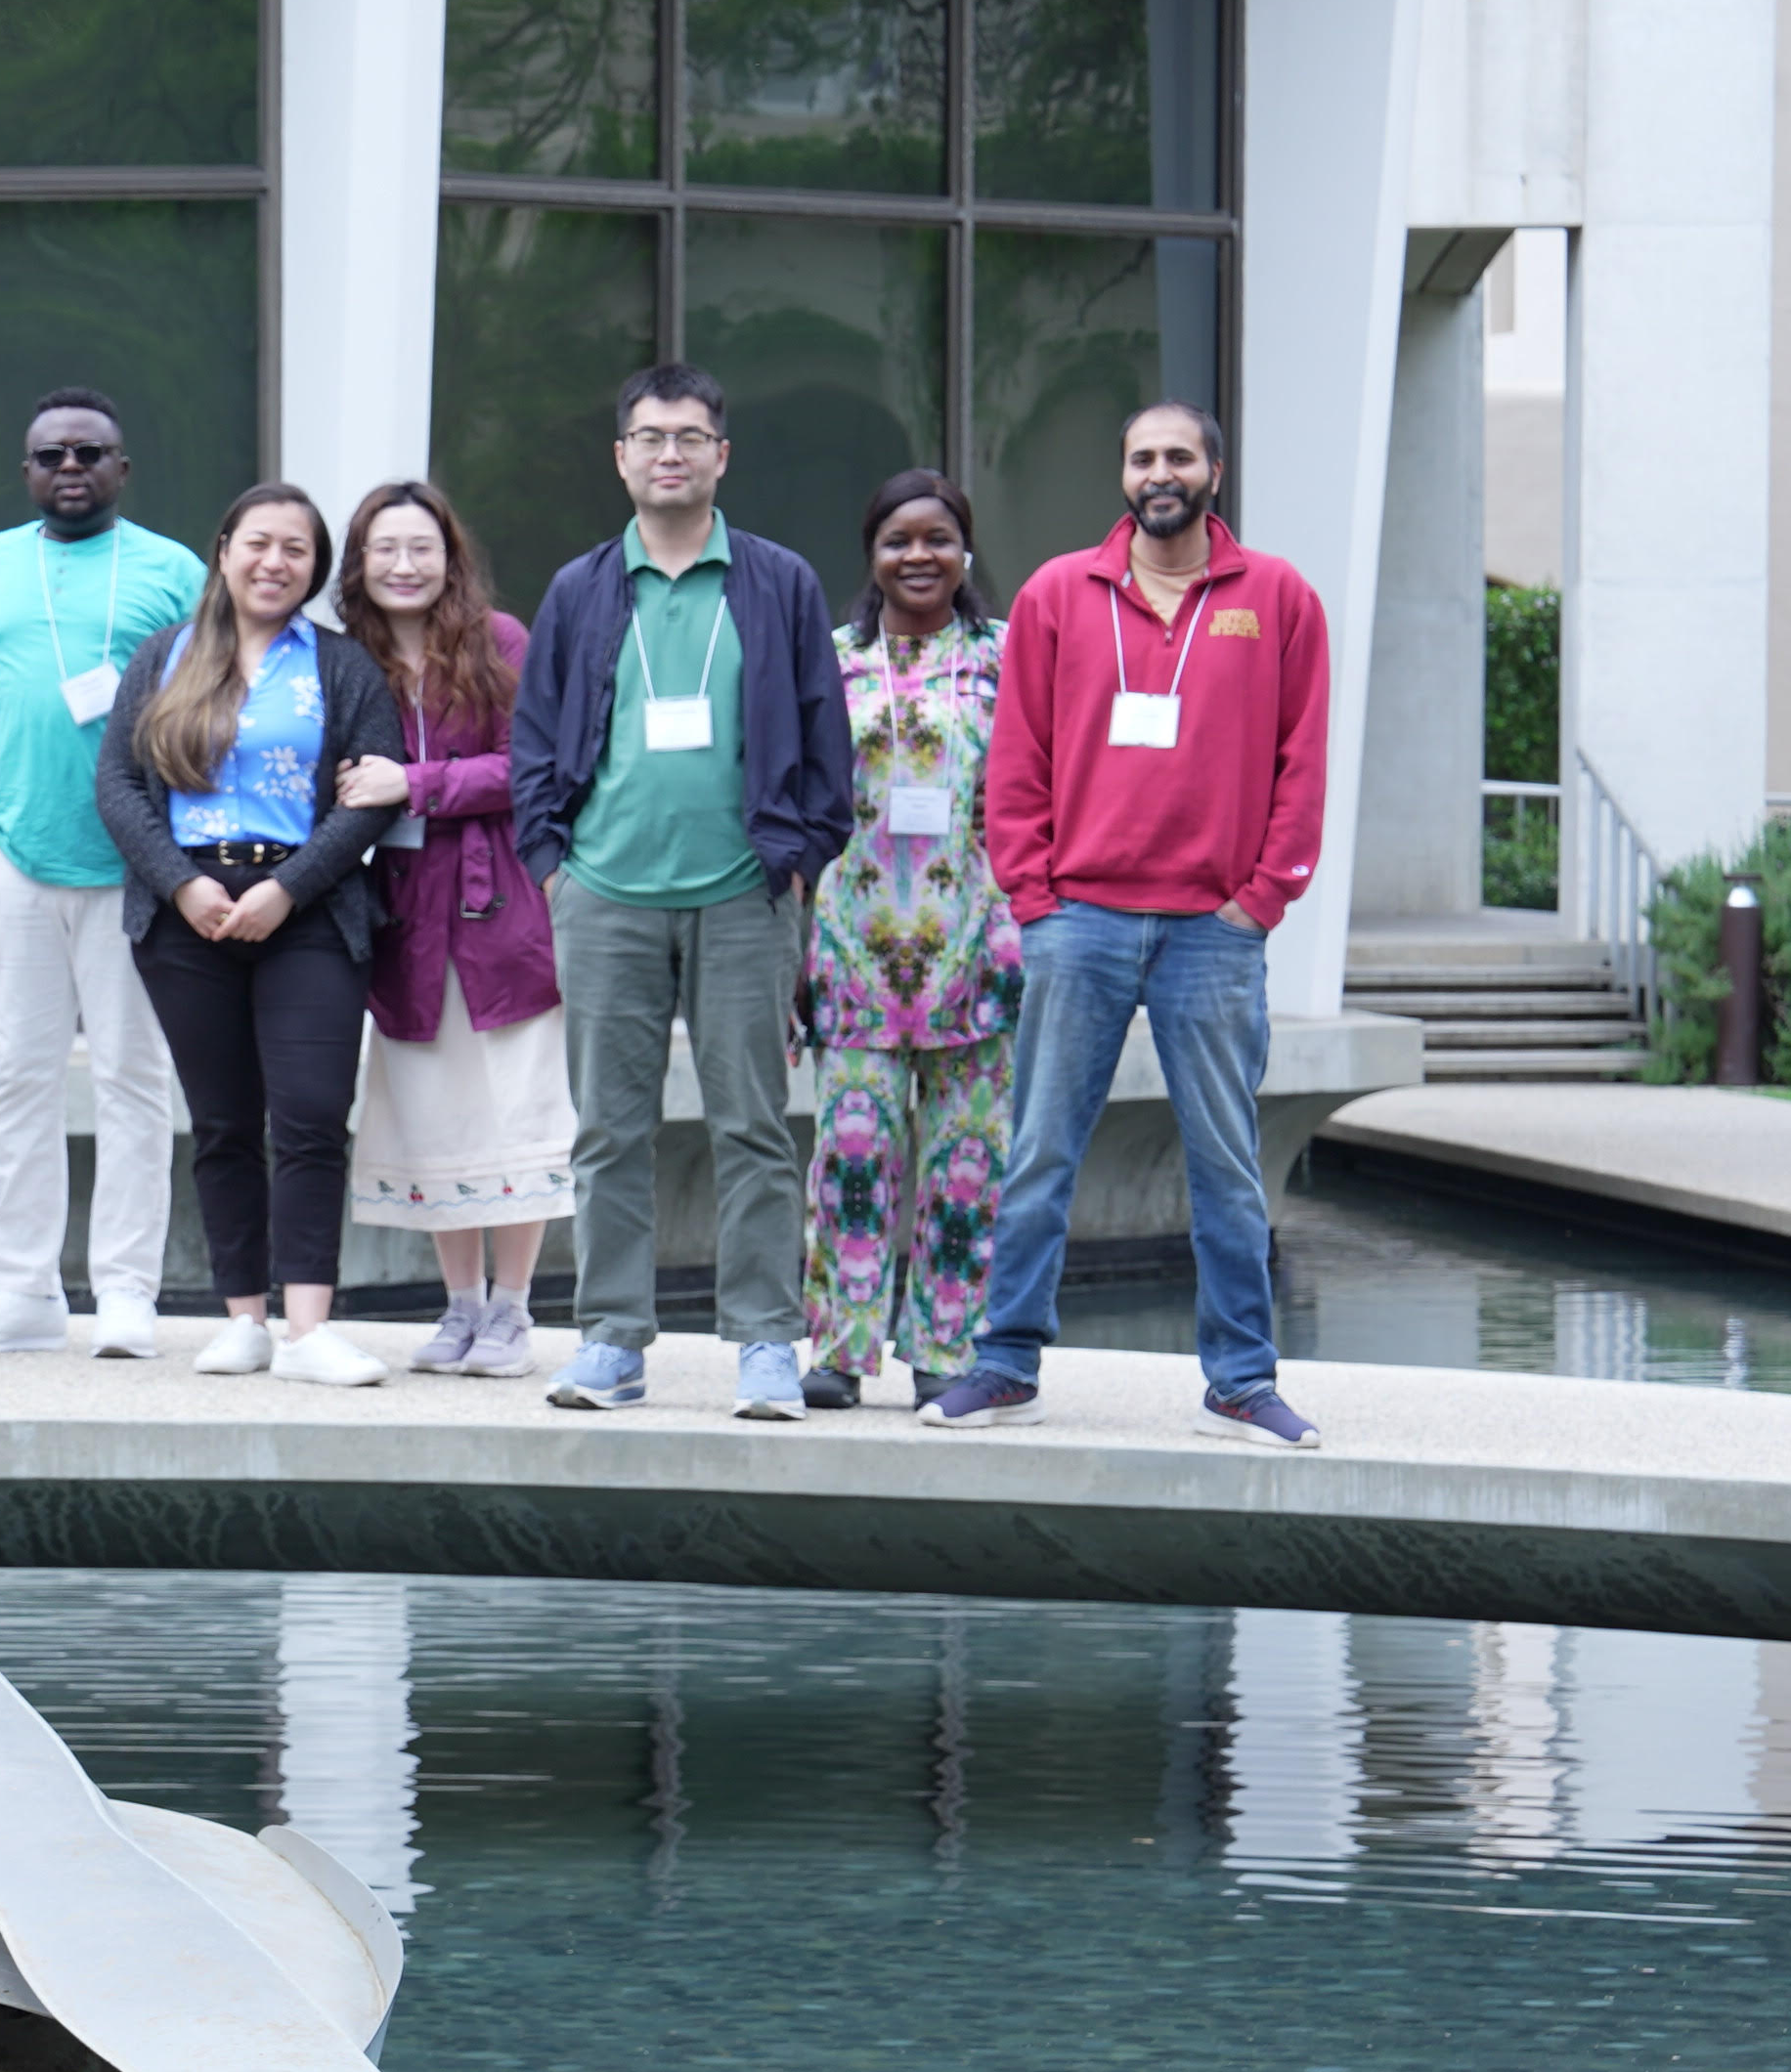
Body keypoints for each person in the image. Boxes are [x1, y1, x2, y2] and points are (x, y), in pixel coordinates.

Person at [928, 402, 1338, 1448]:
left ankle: (1241, 1380)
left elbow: (1302, 761)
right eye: (1143, 456)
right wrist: (1032, 895)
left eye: (1179, 456)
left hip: (1213, 928)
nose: (1161, 471)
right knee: (1040, 1153)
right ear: (1124, 474)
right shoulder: (1058, 593)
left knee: (1227, 1164)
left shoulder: (1277, 598)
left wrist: (1263, 899)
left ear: (1213, 472)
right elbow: (1016, 756)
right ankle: (1006, 1363)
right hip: (1081, 920)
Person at [508, 362, 852, 1418]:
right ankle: (611, 1341)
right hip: (604, 894)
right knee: (609, 1131)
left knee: (752, 1126)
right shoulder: (580, 589)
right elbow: (535, 738)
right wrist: (554, 868)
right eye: (651, 437)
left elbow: (824, 737)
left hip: (744, 894)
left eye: (690, 436)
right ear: (621, 458)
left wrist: (796, 864)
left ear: (721, 456)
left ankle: (764, 1344)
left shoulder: (778, 582)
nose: (670, 453)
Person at [88, 486, 411, 1388]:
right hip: (186, 912)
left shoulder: (341, 666)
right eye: (258, 544)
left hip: (308, 909)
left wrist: (287, 888)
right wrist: (182, 884)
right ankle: (244, 1321)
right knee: (223, 1123)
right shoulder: (164, 656)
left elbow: (372, 796)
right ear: (224, 550)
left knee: (310, 1117)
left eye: (296, 550)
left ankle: (308, 1329)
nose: (275, 563)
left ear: (315, 569)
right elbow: (117, 784)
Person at [0, 389, 202, 1357]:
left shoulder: (174, 570)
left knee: (134, 1078)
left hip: (137, 870)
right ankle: (26, 1290)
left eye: (91, 452)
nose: (71, 467)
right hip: (17, 861)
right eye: (52, 455)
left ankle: (126, 1292)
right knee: (21, 1076)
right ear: (27, 471)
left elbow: (215, 707)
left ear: (123, 468)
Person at [335, 479, 576, 1379]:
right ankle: (460, 1307)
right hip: (401, 913)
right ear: (360, 562)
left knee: (517, 1109)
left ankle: (513, 1310)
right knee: (433, 1112)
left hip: (501, 905)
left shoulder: (499, 640)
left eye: (421, 548)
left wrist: (417, 784)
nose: (405, 565)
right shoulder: (344, 657)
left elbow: (533, 765)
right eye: (386, 549)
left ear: (450, 557)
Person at [799, 472, 1019, 1413]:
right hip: (854, 947)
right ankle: (839, 1350)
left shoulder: (1009, 656)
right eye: (898, 540)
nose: (918, 555)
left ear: (965, 550)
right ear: (872, 553)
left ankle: (947, 1346)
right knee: (851, 1158)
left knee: (968, 1161)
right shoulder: (832, 659)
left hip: (978, 945)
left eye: (938, 538)